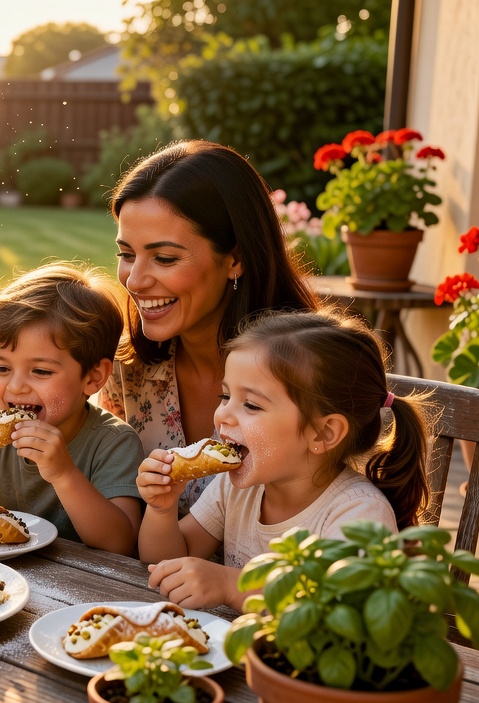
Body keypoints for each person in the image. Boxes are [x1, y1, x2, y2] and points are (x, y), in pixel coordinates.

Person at [136, 309, 430, 609]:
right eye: (224, 397)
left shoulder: (359, 512)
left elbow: (337, 607)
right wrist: (162, 510)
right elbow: (165, 566)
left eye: (251, 405)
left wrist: (231, 586)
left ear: (322, 433)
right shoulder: (234, 488)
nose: (223, 415)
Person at [100, 140, 319, 516]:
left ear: (235, 259)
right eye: (127, 254)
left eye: (164, 258)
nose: (134, 281)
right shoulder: (126, 370)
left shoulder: (310, 373)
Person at [0, 263, 142, 555]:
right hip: (8, 573)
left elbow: (120, 542)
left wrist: (64, 474)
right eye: (2, 368)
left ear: (93, 377)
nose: (16, 387)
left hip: (84, 578)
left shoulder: (114, 443)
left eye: (41, 371)